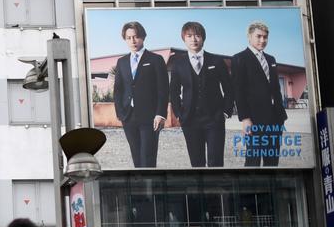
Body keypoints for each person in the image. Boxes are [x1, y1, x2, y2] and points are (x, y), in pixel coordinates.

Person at [167, 21, 234, 167]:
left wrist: (225, 112)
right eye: (189, 36)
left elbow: (229, 89)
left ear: (203, 38)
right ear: (184, 38)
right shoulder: (178, 63)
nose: (194, 39)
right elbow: (173, 91)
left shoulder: (216, 60)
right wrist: (179, 114)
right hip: (189, 120)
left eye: (197, 35)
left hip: (214, 118)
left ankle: (216, 189)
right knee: (196, 162)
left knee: (216, 161)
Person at [111, 21, 169, 168]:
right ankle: (141, 190)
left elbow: (163, 89)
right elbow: (118, 90)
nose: (133, 41)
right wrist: (120, 112)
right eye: (129, 38)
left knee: (148, 158)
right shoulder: (122, 62)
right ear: (125, 39)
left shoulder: (156, 60)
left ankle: (151, 190)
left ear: (143, 37)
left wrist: (160, 114)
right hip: (128, 117)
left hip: (150, 117)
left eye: (136, 37)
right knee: (136, 158)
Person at [232, 21, 287, 167]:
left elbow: (275, 88)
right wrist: (245, 118)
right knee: (253, 159)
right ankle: (250, 190)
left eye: (265, 37)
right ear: (249, 36)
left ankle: (271, 189)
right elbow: (239, 91)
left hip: (275, 118)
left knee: (272, 159)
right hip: (254, 119)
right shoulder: (239, 58)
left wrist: (280, 113)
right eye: (258, 36)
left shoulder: (271, 59)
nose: (262, 40)